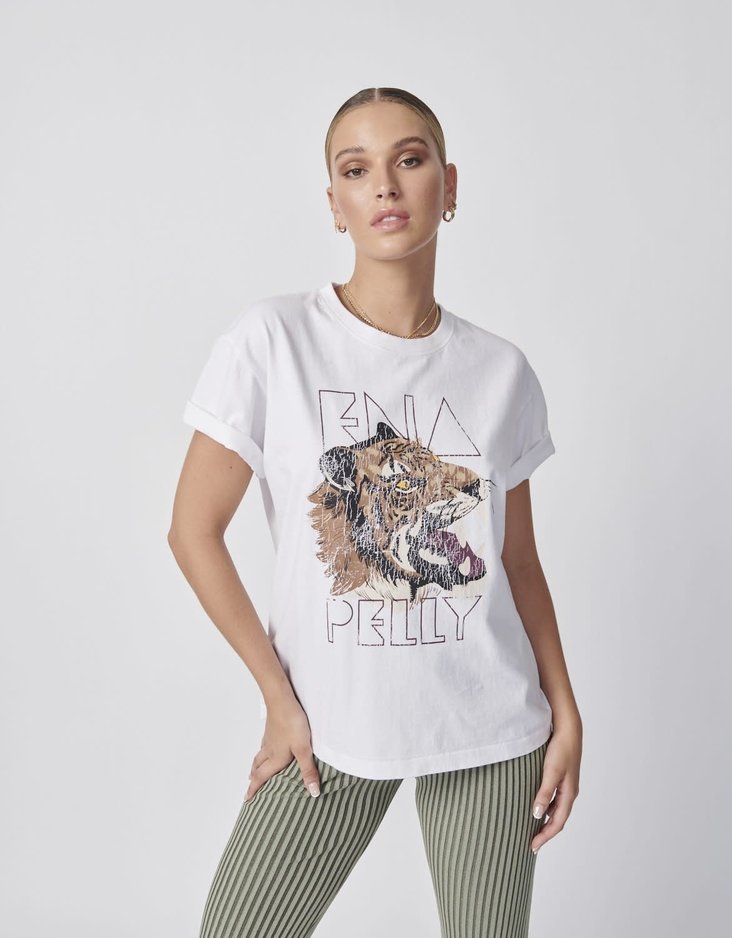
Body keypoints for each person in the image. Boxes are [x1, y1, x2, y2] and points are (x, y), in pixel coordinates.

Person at [168, 86, 583, 938]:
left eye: (410, 159)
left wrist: (566, 709)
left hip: (490, 728)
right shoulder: (273, 342)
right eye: (356, 170)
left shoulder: (501, 371)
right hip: (326, 730)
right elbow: (192, 532)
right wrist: (277, 697)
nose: (386, 186)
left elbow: (518, 562)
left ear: (449, 185)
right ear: (336, 204)